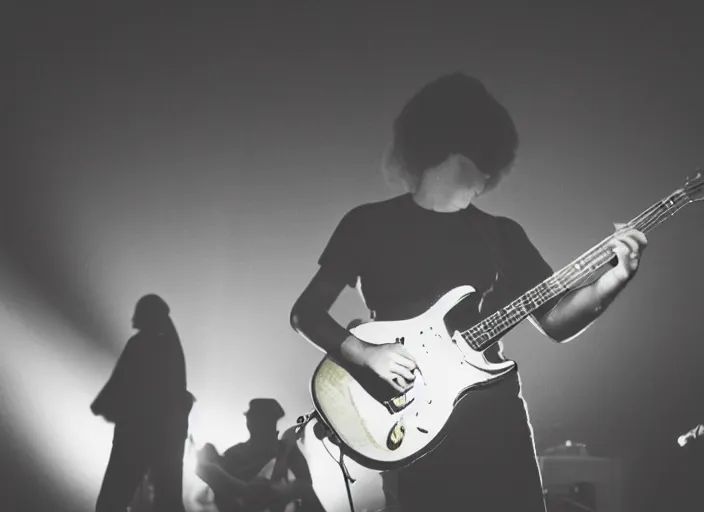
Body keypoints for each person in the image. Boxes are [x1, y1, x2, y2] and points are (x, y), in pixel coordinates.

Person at [289, 72, 647, 511]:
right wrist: (366, 354)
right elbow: (306, 313)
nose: (492, 173)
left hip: (496, 420)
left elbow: (555, 321)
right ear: (457, 143)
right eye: (485, 156)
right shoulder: (367, 224)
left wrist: (614, 279)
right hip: (413, 418)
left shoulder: (501, 235)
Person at [91, 294, 195, 512]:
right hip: (165, 437)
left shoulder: (140, 345)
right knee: (168, 497)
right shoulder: (172, 349)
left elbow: (121, 383)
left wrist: (105, 405)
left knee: (114, 497)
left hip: (135, 435)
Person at [195, 398, 325, 512]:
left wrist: (283, 493)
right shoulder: (236, 452)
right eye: (253, 419)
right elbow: (208, 475)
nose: (252, 422)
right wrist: (245, 491)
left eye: (266, 420)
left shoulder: (284, 448)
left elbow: (305, 483)